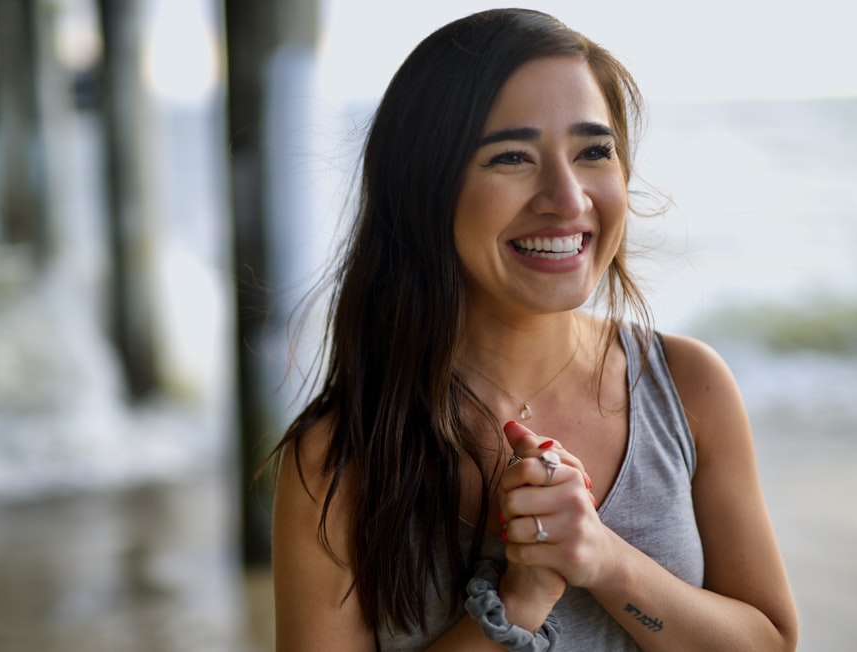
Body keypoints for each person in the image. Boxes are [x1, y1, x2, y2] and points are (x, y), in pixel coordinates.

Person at [268, 8, 798, 651]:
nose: (569, 198)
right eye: (513, 156)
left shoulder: (688, 386)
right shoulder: (338, 459)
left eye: (593, 151)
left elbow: (768, 643)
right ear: (424, 188)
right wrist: (515, 603)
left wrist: (604, 559)